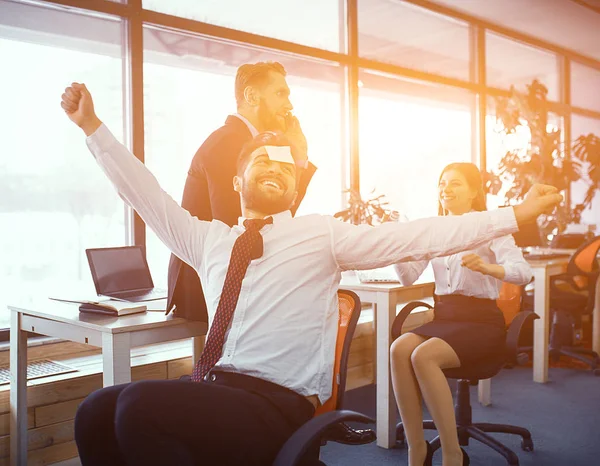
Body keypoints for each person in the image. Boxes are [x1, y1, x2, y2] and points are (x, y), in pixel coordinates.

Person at [60, 84, 560, 466]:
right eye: (262, 160)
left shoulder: (322, 235)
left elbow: (419, 235)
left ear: (295, 187)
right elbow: (145, 195)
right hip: (214, 389)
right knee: (97, 410)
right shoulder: (208, 240)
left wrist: (514, 215)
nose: (276, 167)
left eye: (287, 166)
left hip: (273, 406)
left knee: (138, 408)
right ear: (238, 180)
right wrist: (93, 128)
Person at [390, 162, 533, 466]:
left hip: (481, 322)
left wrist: (488, 267)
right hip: (445, 318)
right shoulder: (436, 230)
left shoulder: (490, 226)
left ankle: (452, 453)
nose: (446, 189)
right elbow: (407, 277)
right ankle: (417, 449)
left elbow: (524, 272)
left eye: (455, 183)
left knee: (422, 356)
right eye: (442, 183)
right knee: (399, 348)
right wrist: (399, 241)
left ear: (474, 192)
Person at [167, 61, 316, 324]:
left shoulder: (252, 146)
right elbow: (245, 228)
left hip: (228, 277)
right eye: (280, 93)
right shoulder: (229, 142)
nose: (289, 105)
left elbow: (270, 220)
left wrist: (299, 159)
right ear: (251, 96)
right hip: (204, 289)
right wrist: (299, 162)